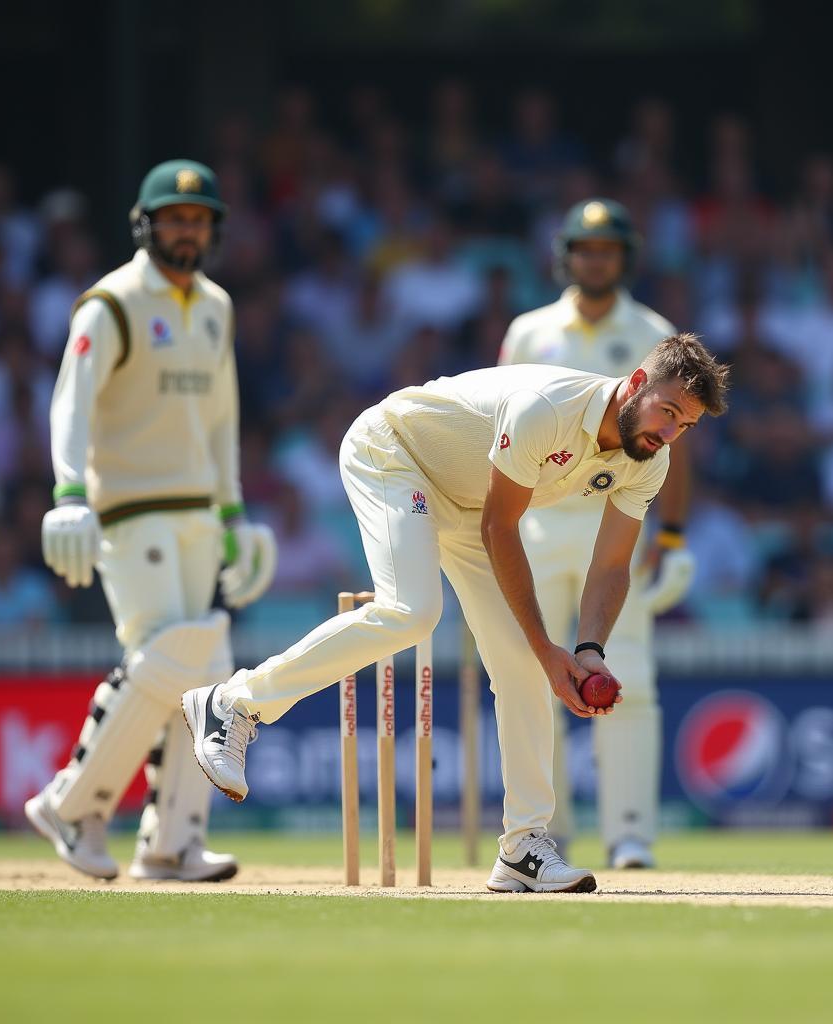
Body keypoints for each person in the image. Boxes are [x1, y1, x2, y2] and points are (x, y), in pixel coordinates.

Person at [182, 334, 728, 893]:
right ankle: (233, 703)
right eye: (666, 412)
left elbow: (613, 564)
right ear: (636, 384)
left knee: (521, 665)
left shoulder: (647, 460)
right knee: (413, 612)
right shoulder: (548, 408)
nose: (668, 434)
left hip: (469, 500)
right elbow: (501, 527)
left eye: (684, 425)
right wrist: (547, 646)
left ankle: (523, 848)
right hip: (395, 455)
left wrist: (587, 651)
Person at [24, 160, 277, 881]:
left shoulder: (217, 307)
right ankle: (72, 803)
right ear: (146, 223)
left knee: (205, 674)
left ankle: (171, 844)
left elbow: (222, 416)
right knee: (172, 654)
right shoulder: (112, 303)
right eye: (174, 218)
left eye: (197, 220)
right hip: (131, 511)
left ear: (214, 229)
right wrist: (70, 492)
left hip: (200, 511)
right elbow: (70, 401)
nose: (187, 231)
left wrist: (234, 514)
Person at [499, 198, 695, 868]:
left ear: (625, 258)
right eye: (584, 249)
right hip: (539, 526)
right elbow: (501, 430)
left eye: (606, 250)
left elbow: (679, 444)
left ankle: (630, 833)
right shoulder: (530, 332)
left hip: (619, 525)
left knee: (628, 676)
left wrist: (672, 536)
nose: (595, 260)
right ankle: (544, 833)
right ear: (566, 256)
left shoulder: (651, 330)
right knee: (536, 677)